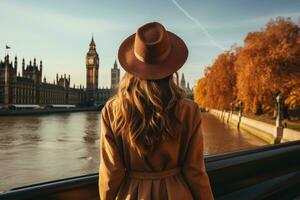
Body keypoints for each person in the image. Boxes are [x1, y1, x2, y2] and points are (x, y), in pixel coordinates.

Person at [99, 22, 214, 200]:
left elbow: (111, 173)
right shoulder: (189, 110)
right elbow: (195, 172)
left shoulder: (112, 110)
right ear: (171, 68)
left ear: (131, 66)